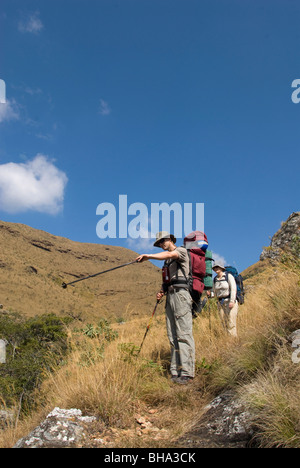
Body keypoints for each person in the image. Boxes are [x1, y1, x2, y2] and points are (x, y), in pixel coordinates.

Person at [136, 231, 195, 385]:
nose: (162, 244)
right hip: (170, 296)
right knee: (172, 335)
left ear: (170, 240)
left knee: (184, 333)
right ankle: (175, 371)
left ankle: (187, 373)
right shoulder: (166, 263)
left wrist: (148, 256)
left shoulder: (181, 251)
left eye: (163, 241)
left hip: (181, 296)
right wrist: (162, 291)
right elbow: (168, 278)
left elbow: (169, 255)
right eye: (159, 243)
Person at [213, 263, 239, 337]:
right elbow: (215, 292)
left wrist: (232, 301)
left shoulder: (228, 276)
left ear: (221, 268)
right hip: (220, 303)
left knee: (231, 321)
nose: (216, 269)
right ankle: (227, 339)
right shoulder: (215, 279)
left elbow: (233, 289)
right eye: (215, 267)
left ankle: (233, 340)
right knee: (223, 322)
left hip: (230, 301)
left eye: (218, 267)